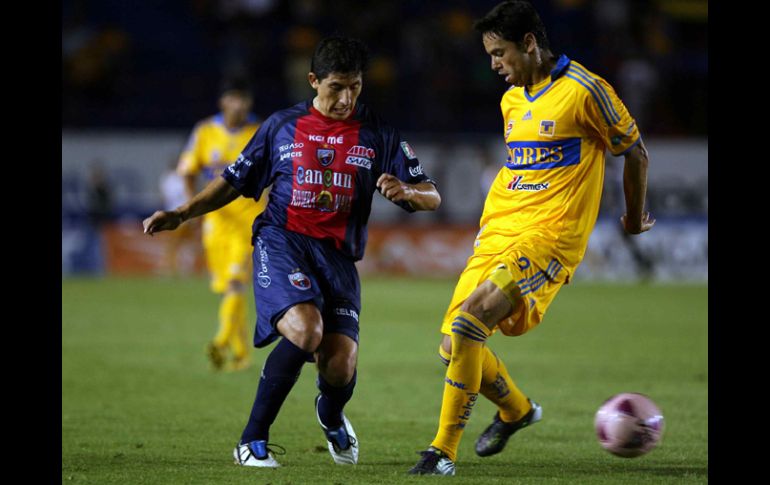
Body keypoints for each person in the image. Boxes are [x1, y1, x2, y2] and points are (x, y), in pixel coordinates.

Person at [143, 36, 441, 468]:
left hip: (338, 258)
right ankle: (251, 440)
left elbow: (432, 194)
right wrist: (183, 213)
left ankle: (331, 413)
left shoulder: (378, 133)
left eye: (355, 87)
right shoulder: (282, 127)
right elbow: (233, 180)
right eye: (337, 86)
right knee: (306, 330)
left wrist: (409, 191)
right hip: (282, 241)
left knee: (339, 367)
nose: (346, 98)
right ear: (313, 81)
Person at [408, 1, 654, 476]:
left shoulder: (586, 90)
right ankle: (517, 411)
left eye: (499, 53)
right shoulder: (512, 100)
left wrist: (633, 216)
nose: (494, 65)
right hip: (498, 233)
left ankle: (441, 451)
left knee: (469, 324)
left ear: (529, 44)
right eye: (489, 55)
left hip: (550, 236)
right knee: (451, 348)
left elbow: (635, 151)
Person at [177, 78, 268, 372]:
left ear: (249, 103)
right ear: (223, 102)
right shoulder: (205, 132)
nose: (239, 105)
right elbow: (188, 171)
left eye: (244, 99)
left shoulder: (260, 132)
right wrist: (192, 208)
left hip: (249, 222)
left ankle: (220, 341)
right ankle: (241, 356)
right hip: (216, 223)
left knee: (235, 284)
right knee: (229, 290)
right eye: (233, 98)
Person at [159, 158, 198, 276]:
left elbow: (164, 198)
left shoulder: (166, 179)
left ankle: (172, 268)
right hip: (183, 215)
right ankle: (183, 268)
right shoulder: (183, 178)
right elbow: (189, 196)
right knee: (187, 244)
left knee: (174, 244)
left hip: (172, 216)